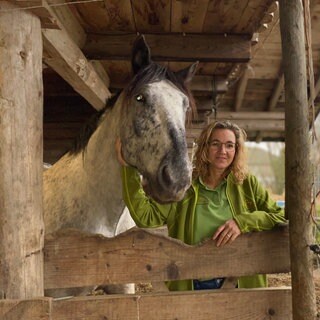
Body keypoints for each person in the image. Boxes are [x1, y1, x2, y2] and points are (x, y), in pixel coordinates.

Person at [116, 120, 286, 291]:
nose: (223, 151)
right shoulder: (184, 184)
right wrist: (128, 170)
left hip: (240, 283)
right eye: (215, 144)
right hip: (193, 283)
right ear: (205, 147)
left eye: (229, 145)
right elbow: (145, 217)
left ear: (236, 150)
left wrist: (242, 222)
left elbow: (279, 215)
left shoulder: (247, 184)